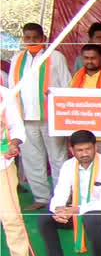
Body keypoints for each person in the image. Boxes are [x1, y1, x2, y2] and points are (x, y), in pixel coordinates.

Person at [41, 130, 101, 256]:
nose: (84, 154)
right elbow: (60, 192)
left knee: (92, 217)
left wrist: (75, 210)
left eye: (88, 149)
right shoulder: (68, 166)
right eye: (79, 150)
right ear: (72, 150)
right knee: (44, 219)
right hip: (75, 210)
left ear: (95, 147)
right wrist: (59, 210)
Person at [9, 24, 71, 211]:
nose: (31, 41)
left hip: (51, 118)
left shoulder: (56, 56)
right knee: (31, 159)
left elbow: (66, 85)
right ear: (23, 39)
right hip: (25, 118)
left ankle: (62, 198)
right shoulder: (17, 58)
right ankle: (41, 197)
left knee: (58, 158)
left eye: (35, 37)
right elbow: (13, 87)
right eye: (27, 37)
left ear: (43, 38)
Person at [0, 84, 31, 256]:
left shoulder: (3, 94)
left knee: (10, 215)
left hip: (2, 164)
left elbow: (17, 127)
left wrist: (14, 144)